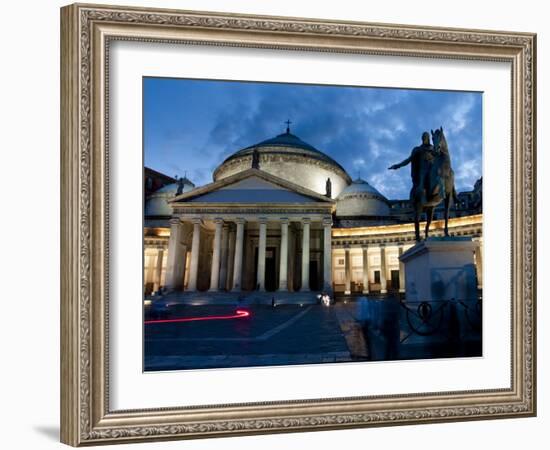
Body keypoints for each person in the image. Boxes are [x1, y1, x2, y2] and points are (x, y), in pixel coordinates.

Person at [388, 131, 435, 201]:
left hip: (432, 169)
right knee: (421, 182)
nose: (424, 138)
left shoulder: (434, 149)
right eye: (423, 137)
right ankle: (421, 198)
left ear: (428, 138)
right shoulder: (417, 149)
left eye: (425, 137)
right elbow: (408, 160)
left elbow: (440, 159)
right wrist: (398, 165)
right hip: (422, 171)